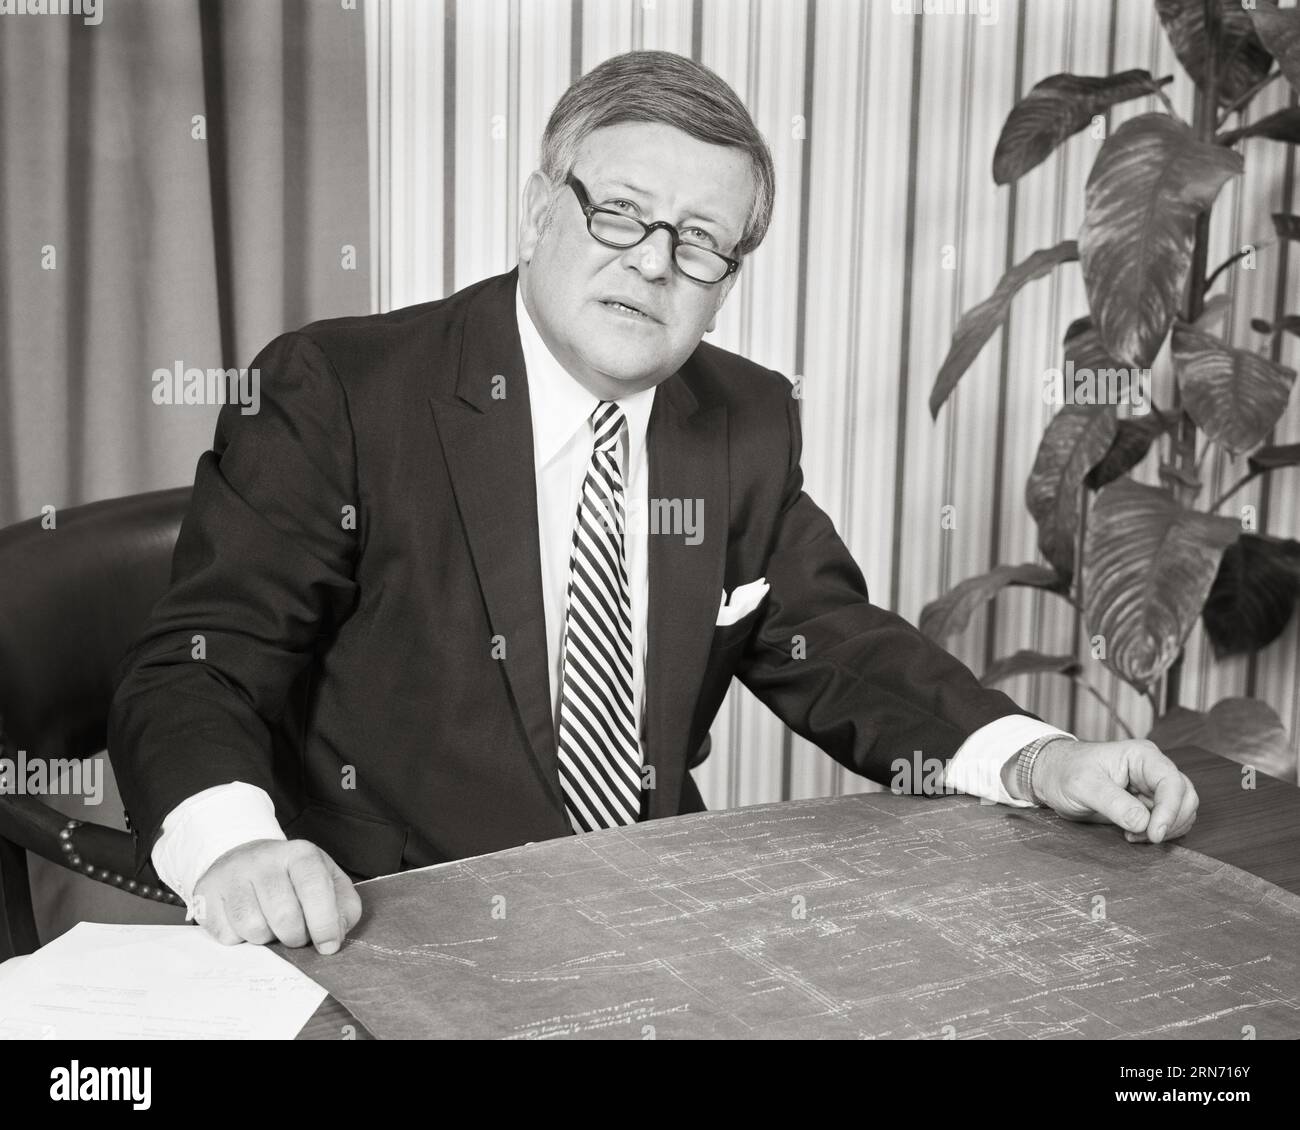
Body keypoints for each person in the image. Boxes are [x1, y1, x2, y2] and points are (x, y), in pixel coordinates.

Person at [108, 50, 1197, 957]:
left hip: (653, 924)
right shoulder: (340, 391)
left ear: (728, 271)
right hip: (390, 926)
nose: (653, 265)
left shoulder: (742, 416)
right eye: (619, 213)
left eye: (700, 240)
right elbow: (196, 666)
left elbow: (837, 642)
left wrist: (1041, 757)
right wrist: (234, 846)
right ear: (542, 207)